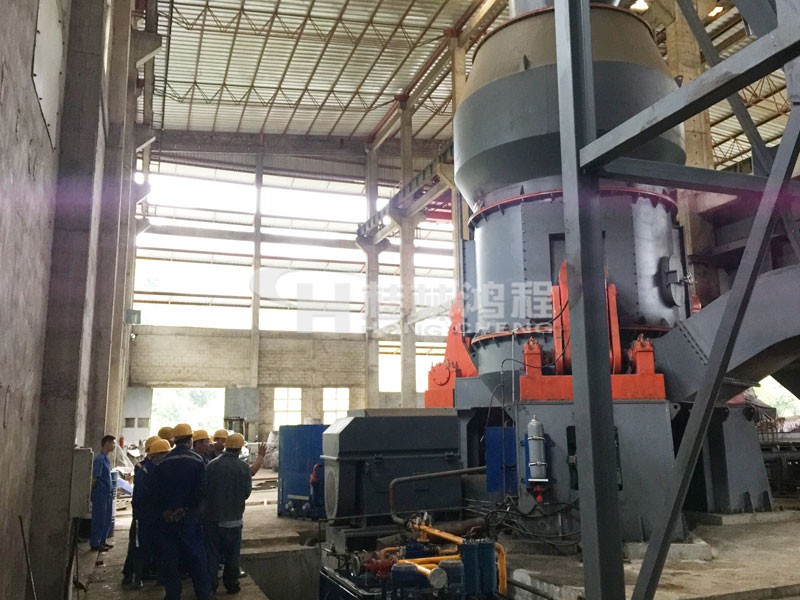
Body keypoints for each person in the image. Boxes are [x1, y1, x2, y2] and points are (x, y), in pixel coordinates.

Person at [153, 423, 213, 600]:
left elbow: (157, 493)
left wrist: (168, 511)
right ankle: (203, 595)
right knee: (197, 558)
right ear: (190, 440)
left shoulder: (163, 462)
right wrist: (186, 509)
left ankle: (173, 595)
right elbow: (202, 490)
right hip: (190, 516)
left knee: (171, 561)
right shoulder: (197, 461)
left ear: (174, 441)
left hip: (168, 519)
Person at [204, 433, 252, 595]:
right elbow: (246, 493)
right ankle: (232, 585)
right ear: (239, 448)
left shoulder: (211, 465)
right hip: (234, 520)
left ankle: (210, 587)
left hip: (212, 519)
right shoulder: (243, 467)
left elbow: (204, 490)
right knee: (232, 555)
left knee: (212, 554)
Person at [127, 438, 171, 588]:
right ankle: (136, 578)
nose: (166, 457)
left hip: (157, 515)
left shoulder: (160, 470)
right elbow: (140, 496)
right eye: (163, 454)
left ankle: (160, 576)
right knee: (141, 547)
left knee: (160, 546)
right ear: (155, 455)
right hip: (145, 516)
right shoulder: (144, 472)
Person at [90, 435, 116, 552]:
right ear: (106, 443)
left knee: (107, 518)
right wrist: (93, 493)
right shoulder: (99, 459)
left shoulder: (106, 459)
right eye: (112, 443)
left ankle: (102, 541)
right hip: (100, 493)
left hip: (107, 493)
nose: (114, 446)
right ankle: (95, 543)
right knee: (99, 518)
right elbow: (95, 478)